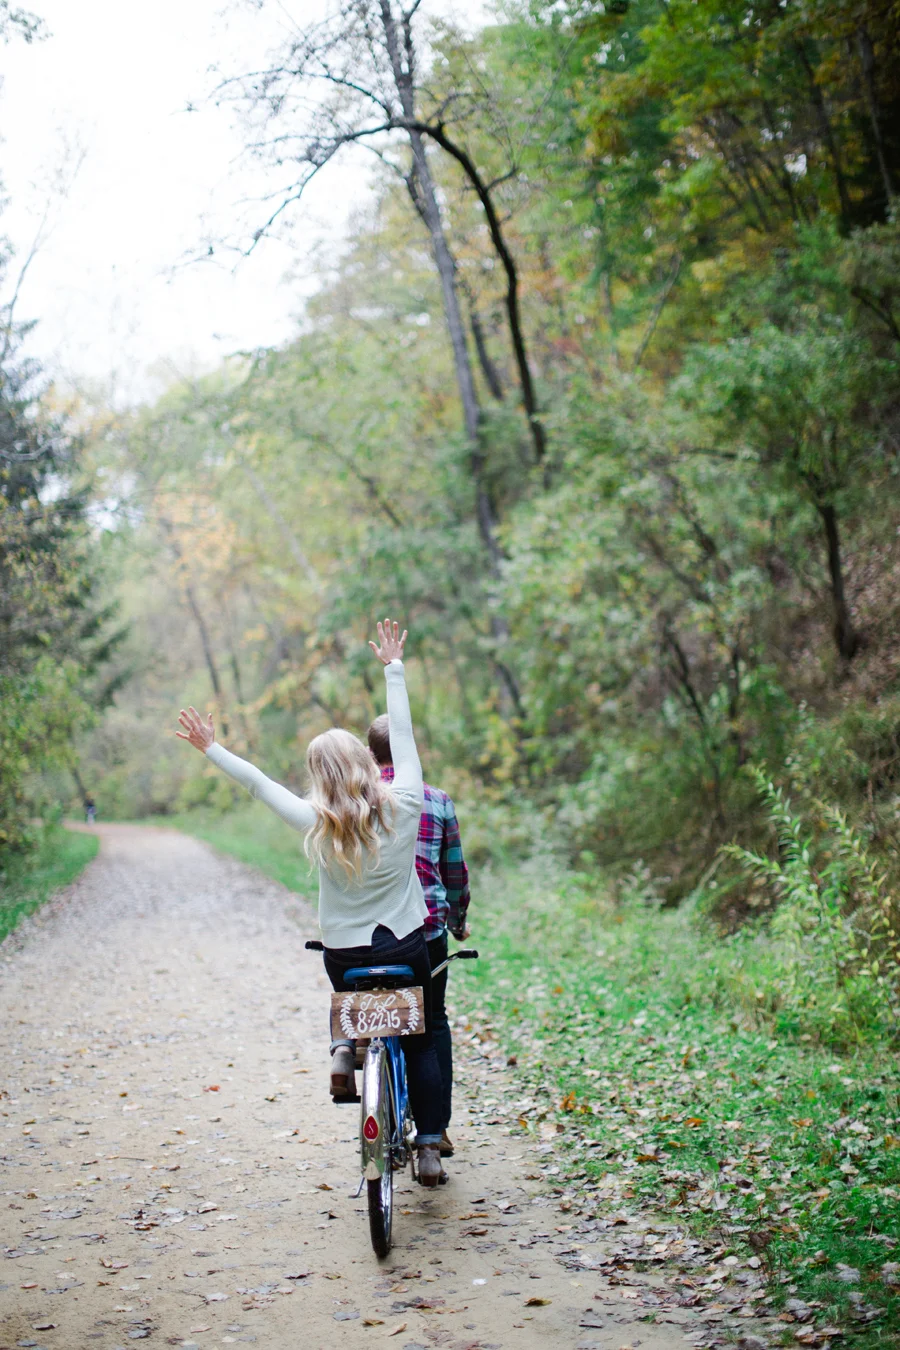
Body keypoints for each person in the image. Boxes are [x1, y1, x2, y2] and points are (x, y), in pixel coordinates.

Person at [176, 618, 446, 1187]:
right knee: (420, 1035)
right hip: (404, 940)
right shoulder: (405, 801)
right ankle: (426, 1145)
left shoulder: (313, 820)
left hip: (345, 955)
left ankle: (345, 1045)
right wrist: (392, 670)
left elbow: (256, 784)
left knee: (348, 993)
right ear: (369, 766)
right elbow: (403, 733)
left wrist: (212, 747)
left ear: (318, 777)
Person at [366, 713, 470, 1160]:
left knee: (372, 1009)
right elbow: (454, 873)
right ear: (412, 750)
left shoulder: (356, 801)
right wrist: (458, 919)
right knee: (432, 1022)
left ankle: (353, 1050)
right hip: (425, 935)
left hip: (367, 935)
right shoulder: (437, 801)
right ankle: (435, 1131)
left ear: (370, 757)